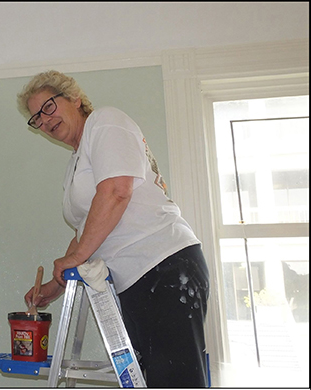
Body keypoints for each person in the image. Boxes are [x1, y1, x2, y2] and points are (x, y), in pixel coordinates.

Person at [18, 70, 210, 388]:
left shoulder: (105, 122)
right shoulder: (76, 162)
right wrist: (58, 283)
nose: (44, 120)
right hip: (133, 279)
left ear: (74, 98)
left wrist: (77, 256)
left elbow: (117, 191)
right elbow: (85, 228)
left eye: (48, 107)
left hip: (164, 266)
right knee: (158, 379)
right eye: (36, 118)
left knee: (175, 380)